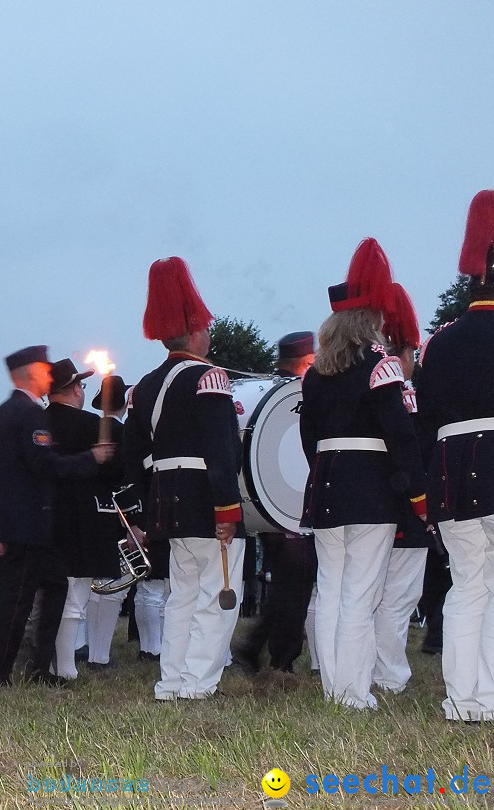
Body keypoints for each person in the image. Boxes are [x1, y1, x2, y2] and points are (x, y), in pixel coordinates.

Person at [300, 238, 426, 711]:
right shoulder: (381, 365)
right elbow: (401, 435)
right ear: (369, 322)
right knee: (360, 593)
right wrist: (417, 493)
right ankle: (352, 692)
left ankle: (336, 686)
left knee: (331, 589)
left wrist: (327, 469)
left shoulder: (315, 374)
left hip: (327, 485)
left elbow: (308, 436)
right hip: (370, 489)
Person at [122, 257, 245, 701]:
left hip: (166, 499)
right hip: (206, 499)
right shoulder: (209, 378)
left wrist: (142, 503)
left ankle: (170, 681)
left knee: (182, 596)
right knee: (218, 595)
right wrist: (228, 510)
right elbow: (221, 450)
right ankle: (197, 683)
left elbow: (130, 454)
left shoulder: (145, 386)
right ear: (195, 332)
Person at [0, 346, 113, 687]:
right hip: (27, 523)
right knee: (17, 599)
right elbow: (44, 465)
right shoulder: (28, 415)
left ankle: (38, 666)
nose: (48, 375)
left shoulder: (4, 413)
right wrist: (90, 460)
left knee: (54, 585)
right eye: (43, 369)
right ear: (28, 373)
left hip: (20, 522)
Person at [416, 190, 494, 722]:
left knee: (469, 587)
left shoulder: (438, 343)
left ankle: (467, 699)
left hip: (453, 478)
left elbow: (424, 424)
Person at [233, 331, 319, 676]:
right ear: (306, 361)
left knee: (285, 586)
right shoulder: (295, 394)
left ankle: (254, 648)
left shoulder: (266, 392)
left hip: (265, 506)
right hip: (288, 511)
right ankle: (281, 659)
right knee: (295, 588)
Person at [370, 284, 430, 695]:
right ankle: (389, 675)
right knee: (399, 599)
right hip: (408, 509)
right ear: (404, 353)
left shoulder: (367, 385)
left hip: (375, 506)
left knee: (370, 596)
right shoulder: (409, 397)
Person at [44, 357, 107, 681]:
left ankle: (53, 660)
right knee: (75, 597)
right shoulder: (91, 425)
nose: (83, 391)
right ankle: (65, 666)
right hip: (81, 519)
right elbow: (114, 471)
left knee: (53, 596)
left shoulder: (38, 422)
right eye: (81, 385)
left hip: (44, 519)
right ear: (72, 389)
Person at [85, 374, 131, 670]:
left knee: (95, 587)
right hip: (119, 515)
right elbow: (129, 479)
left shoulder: (91, 428)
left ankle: (91, 649)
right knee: (114, 588)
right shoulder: (126, 433)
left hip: (95, 512)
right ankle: (98, 654)